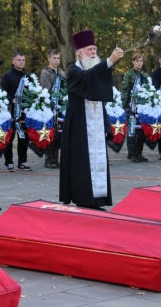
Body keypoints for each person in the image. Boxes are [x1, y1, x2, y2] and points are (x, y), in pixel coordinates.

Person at [59, 30, 123, 210]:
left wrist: (105, 125)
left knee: (98, 161)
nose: (93, 52)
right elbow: (89, 77)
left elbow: (100, 99)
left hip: (95, 126)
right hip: (80, 127)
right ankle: (84, 199)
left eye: (95, 48)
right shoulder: (74, 71)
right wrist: (109, 61)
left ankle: (98, 198)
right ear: (80, 52)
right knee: (82, 163)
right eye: (89, 49)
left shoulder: (94, 70)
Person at [1, 52, 32, 172]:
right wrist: (11, 99)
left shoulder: (27, 77)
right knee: (9, 137)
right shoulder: (7, 76)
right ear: (13, 61)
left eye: (23, 60)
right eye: (19, 60)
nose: (22, 62)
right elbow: (2, 92)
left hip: (24, 112)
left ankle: (22, 162)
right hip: (10, 112)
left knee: (24, 138)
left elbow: (32, 92)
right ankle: (9, 162)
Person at [121, 52, 150, 163]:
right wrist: (125, 105)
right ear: (133, 62)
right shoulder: (129, 75)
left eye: (141, 61)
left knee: (141, 131)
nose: (139, 63)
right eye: (137, 61)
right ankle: (132, 154)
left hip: (143, 107)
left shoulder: (144, 75)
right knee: (132, 131)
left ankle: (139, 153)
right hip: (131, 106)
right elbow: (125, 90)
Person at [40, 49, 66, 169]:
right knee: (51, 133)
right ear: (49, 59)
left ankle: (56, 158)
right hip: (50, 106)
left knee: (59, 134)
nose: (56, 61)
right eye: (54, 58)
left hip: (60, 106)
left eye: (58, 58)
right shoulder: (45, 72)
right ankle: (49, 159)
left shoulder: (61, 73)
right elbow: (46, 89)